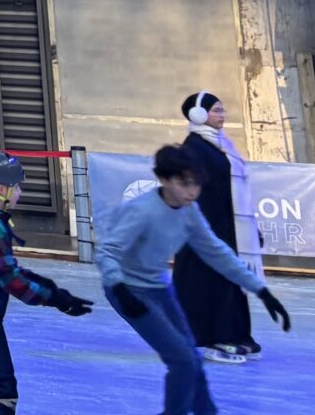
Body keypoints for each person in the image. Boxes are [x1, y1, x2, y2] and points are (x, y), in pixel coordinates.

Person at [96, 143, 291, 415]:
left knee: (192, 361)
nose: (191, 191)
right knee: (183, 361)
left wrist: (260, 290)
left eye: (196, 184)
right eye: (183, 183)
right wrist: (118, 286)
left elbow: (216, 251)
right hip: (128, 291)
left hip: (159, 288)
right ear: (164, 179)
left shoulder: (189, 211)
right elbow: (108, 251)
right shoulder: (142, 211)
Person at [0, 148, 90, 415]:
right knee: (1, 385)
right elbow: (12, 281)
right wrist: (56, 299)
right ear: (1, 189)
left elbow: (8, 269)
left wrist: (53, 290)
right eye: (16, 186)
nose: (20, 191)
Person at [175, 91, 261, 362]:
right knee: (209, 284)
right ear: (198, 114)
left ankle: (237, 334)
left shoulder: (222, 145)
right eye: (216, 110)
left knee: (230, 281)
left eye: (223, 110)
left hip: (227, 225)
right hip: (205, 229)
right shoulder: (193, 148)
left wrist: (248, 227)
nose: (222, 115)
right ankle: (214, 337)